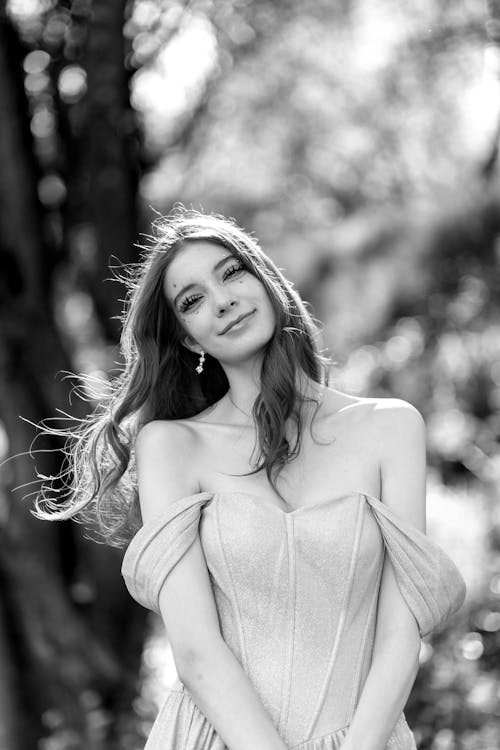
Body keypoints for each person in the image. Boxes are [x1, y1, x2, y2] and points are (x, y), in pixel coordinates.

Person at [34, 205, 466, 750]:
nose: (223, 300)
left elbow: (401, 635)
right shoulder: (172, 447)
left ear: (266, 279)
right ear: (189, 339)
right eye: (192, 301)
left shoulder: (391, 429)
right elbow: (195, 652)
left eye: (232, 272)